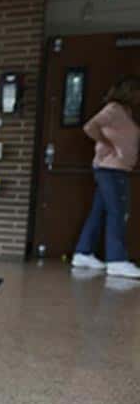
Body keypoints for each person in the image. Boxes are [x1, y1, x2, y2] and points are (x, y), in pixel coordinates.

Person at [71, 75, 140, 278]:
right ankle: (117, 260)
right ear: (129, 92)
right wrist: (107, 143)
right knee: (117, 211)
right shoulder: (114, 109)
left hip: (116, 168)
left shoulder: (126, 112)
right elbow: (90, 126)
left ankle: (83, 253)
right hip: (110, 168)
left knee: (99, 211)